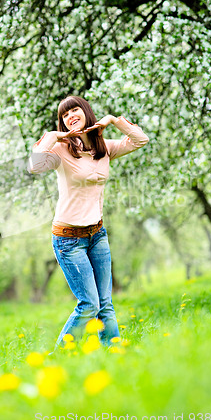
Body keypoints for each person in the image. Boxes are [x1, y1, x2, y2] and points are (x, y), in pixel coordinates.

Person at [27, 95, 149, 351]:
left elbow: (141, 139)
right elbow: (35, 165)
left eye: (74, 110)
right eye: (64, 115)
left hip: (98, 235)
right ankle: (59, 355)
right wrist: (55, 135)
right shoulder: (60, 151)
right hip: (68, 240)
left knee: (105, 303)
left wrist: (113, 120)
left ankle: (113, 351)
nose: (70, 116)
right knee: (89, 304)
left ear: (86, 112)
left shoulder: (103, 147)